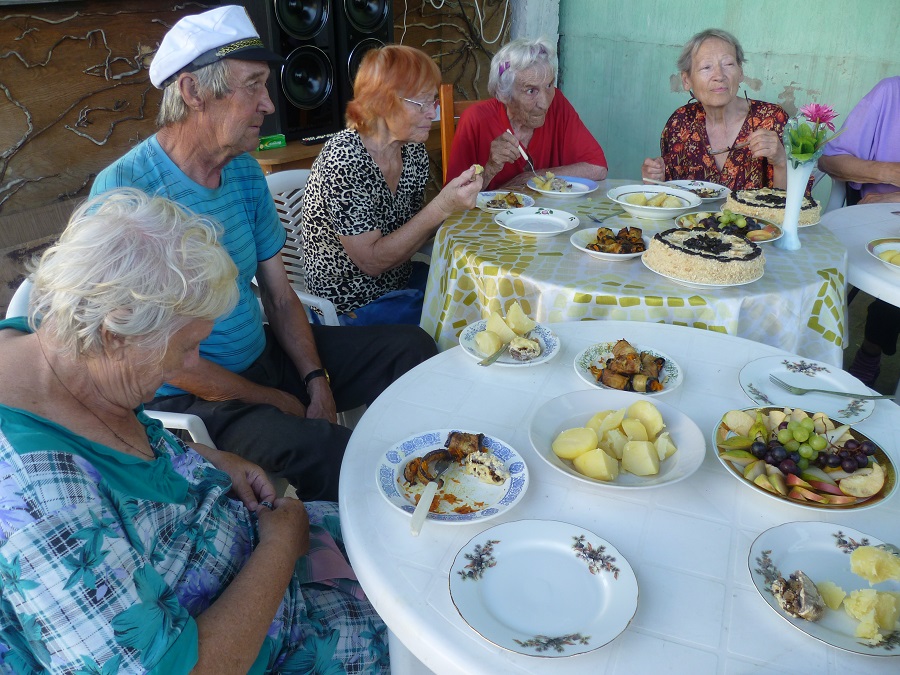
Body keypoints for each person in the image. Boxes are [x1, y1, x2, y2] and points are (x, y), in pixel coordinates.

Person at [0, 188, 388, 673]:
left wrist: (215, 460)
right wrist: (280, 549)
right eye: (186, 346)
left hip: (247, 545)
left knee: (393, 523)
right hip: (259, 642)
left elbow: (115, 441)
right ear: (115, 333)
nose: (193, 365)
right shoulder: (37, 499)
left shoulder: (54, 342)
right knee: (419, 628)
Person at [90, 5, 438, 503]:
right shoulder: (126, 191)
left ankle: (433, 473)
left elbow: (278, 297)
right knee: (336, 453)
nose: (269, 104)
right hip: (196, 396)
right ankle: (370, 542)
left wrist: (314, 379)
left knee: (412, 349)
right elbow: (157, 359)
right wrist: (272, 398)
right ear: (192, 93)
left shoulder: (245, 173)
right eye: (252, 85)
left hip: (262, 352)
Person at [301, 45, 483, 326]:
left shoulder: (413, 152)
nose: (432, 113)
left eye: (433, 101)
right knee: (459, 318)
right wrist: (443, 206)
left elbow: (412, 232)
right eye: (422, 102)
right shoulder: (344, 159)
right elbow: (371, 262)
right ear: (383, 102)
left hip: (399, 286)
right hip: (350, 306)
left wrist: (455, 206)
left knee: (477, 292)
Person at [444, 36, 608, 191]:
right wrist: (491, 168)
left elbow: (597, 168)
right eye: (531, 90)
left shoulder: (557, 103)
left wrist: (530, 178)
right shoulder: (475, 120)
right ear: (504, 94)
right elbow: (452, 200)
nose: (544, 104)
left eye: (549, 85)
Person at [819, 76, 900, 388]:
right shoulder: (889, 93)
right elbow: (830, 159)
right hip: (877, 219)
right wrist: (889, 172)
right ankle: (870, 353)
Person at [642, 28, 788, 192]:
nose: (719, 75)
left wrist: (781, 161)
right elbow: (671, 193)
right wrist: (655, 177)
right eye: (706, 67)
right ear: (686, 80)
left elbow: (795, 205)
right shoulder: (680, 122)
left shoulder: (772, 119)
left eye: (728, 64)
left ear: (740, 72)